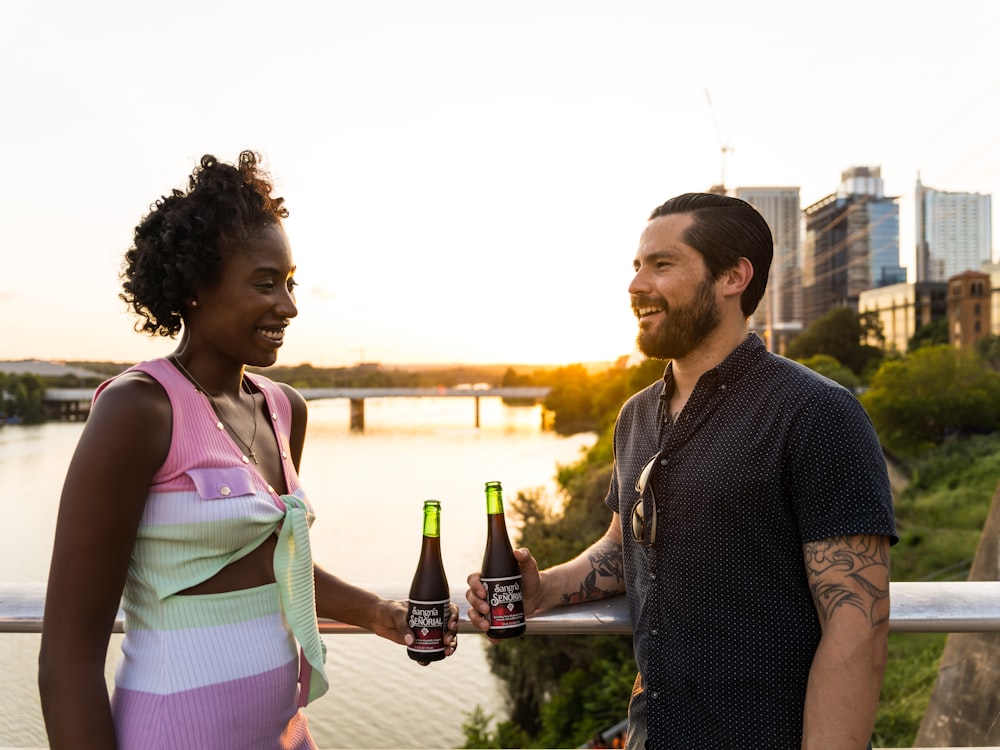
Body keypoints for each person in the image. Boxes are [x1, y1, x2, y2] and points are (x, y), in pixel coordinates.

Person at [38, 151, 458, 750]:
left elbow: (272, 561)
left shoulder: (285, 409)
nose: (288, 306)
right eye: (265, 283)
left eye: (290, 284)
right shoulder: (137, 410)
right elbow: (68, 663)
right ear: (193, 289)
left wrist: (377, 614)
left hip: (281, 735)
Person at [466, 192, 897, 749]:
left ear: (732, 277)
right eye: (637, 266)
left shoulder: (817, 413)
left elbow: (856, 625)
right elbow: (627, 547)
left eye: (662, 264)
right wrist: (544, 587)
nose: (635, 285)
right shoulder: (636, 416)